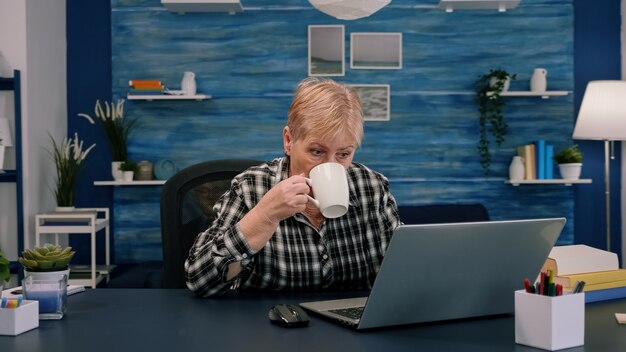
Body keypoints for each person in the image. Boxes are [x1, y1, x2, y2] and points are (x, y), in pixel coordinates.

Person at [185, 77, 401, 297]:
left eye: (344, 154)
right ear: (289, 140)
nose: (331, 165)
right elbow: (198, 281)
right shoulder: (250, 188)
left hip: (353, 325)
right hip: (270, 324)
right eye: (317, 151)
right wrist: (264, 217)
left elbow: (404, 273)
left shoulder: (372, 188)